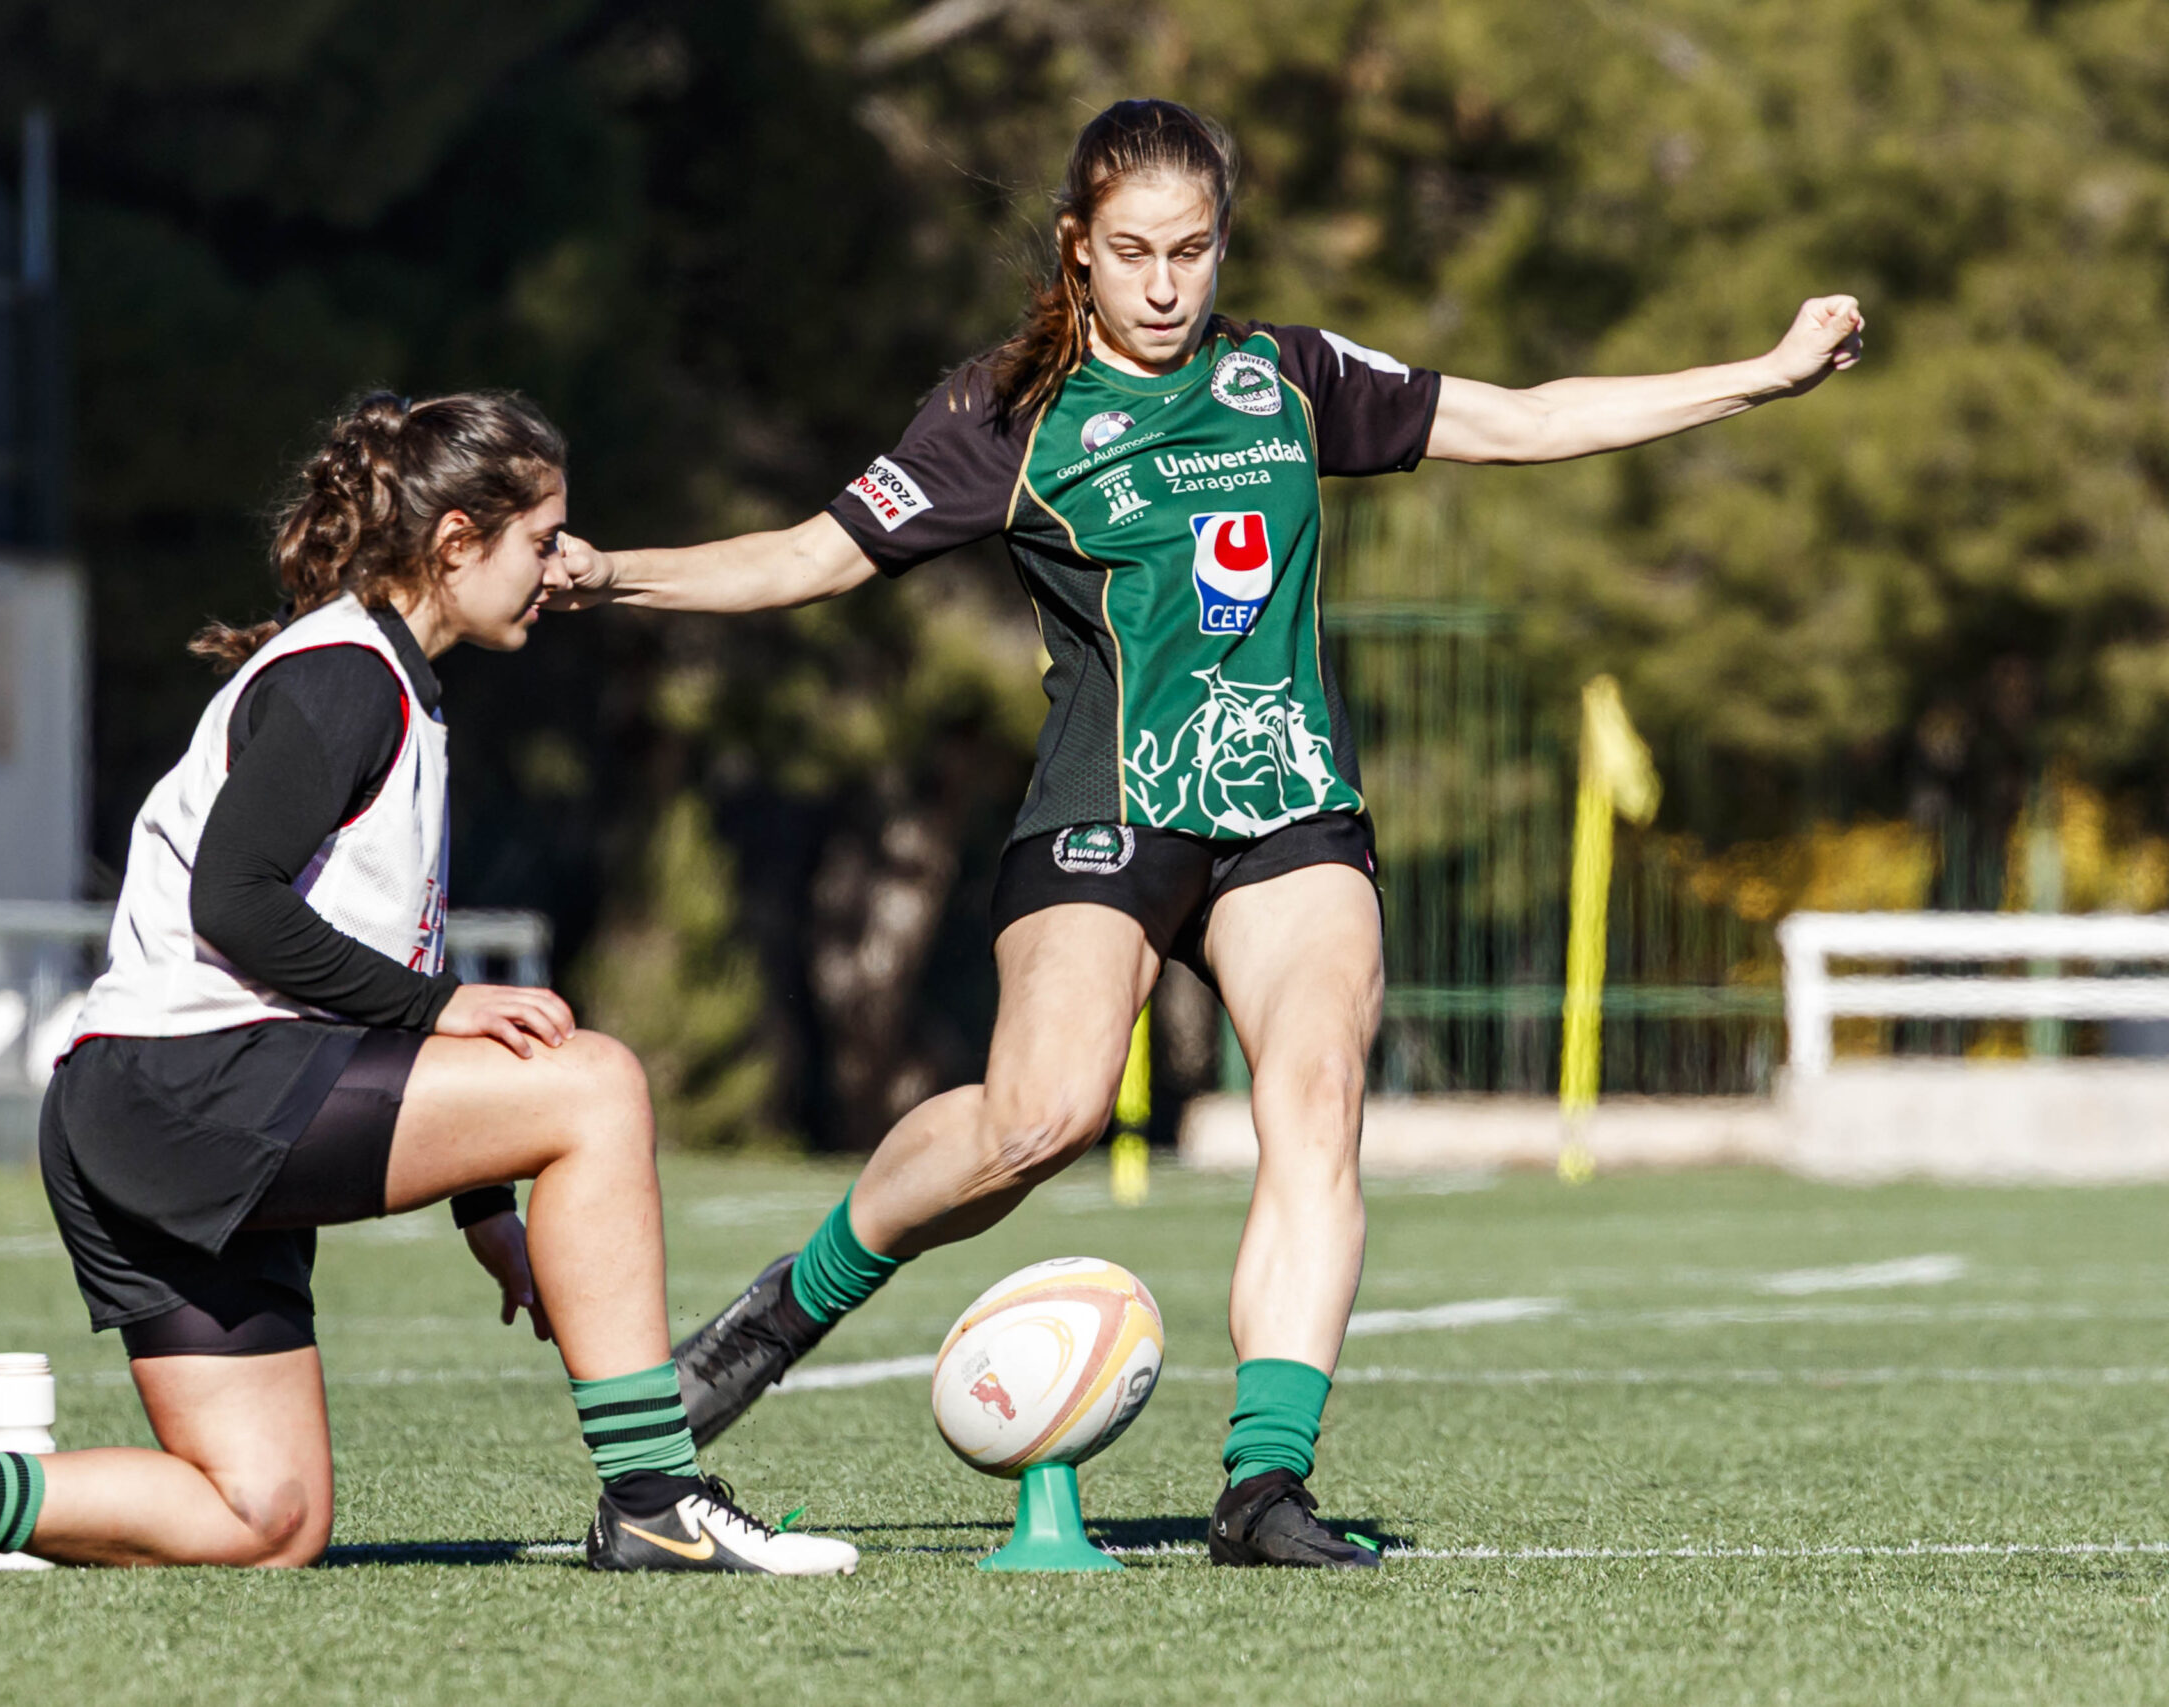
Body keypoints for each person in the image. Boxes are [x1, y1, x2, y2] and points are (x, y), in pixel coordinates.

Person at [557, 99, 1865, 1568]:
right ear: (1077, 252)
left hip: (1291, 807)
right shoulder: (1004, 411)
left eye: (1192, 250)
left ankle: (1263, 1487)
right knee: (1033, 1119)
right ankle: (775, 1315)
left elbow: (1526, 416)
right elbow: (808, 556)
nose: (1166, 283)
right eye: (1132, 253)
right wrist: (611, 576)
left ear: (1223, 244)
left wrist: (1760, 377)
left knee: (1316, 1093)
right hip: (1109, 805)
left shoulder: (1290, 376)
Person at [0, 391, 857, 1578]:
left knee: (268, 1522)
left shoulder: (389, 681)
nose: (560, 569)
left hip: (146, 1113)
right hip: (183, 1091)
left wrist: (486, 1209)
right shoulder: (348, 679)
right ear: (457, 542)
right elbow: (234, 903)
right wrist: (446, 1010)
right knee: (594, 1083)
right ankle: (657, 1499)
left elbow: (377, 975)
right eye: (542, 540)